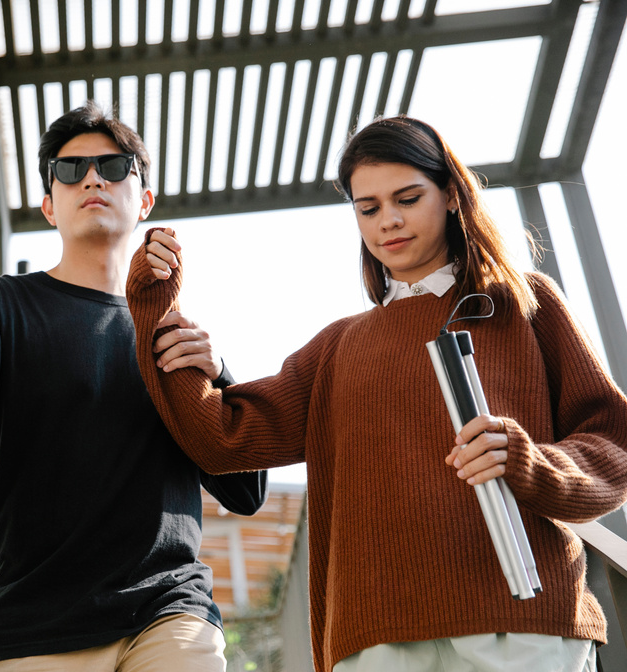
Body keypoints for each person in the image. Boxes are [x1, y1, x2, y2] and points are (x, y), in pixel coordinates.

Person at [126, 115, 627, 672]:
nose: (388, 220)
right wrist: (155, 306)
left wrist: (530, 462)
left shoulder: (525, 305)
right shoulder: (339, 346)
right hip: (376, 638)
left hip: (524, 620)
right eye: (367, 209)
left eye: (407, 199)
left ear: (452, 195)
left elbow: (614, 444)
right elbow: (223, 439)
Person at [0, 100, 268, 671]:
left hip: (170, 615)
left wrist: (220, 377)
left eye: (113, 166)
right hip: (36, 629)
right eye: (70, 169)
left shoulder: (170, 339)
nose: (92, 178)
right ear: (49, 206)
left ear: (144, 201)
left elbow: (247, 490)